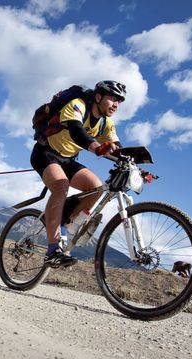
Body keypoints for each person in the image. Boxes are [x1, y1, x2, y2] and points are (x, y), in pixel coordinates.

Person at [30, 80, 126, 267]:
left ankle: (63, 227)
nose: (116, 104)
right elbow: (76, 130)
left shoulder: (106, 123)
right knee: (61, 186)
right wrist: (97, 148)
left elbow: (118, 149)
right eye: (113, 99)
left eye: (119, 101)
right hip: (45, 153)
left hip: (67, 160)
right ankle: (52, 250)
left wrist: (136, 166)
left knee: (97, 188)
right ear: (98, 97)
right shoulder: (78, 105)